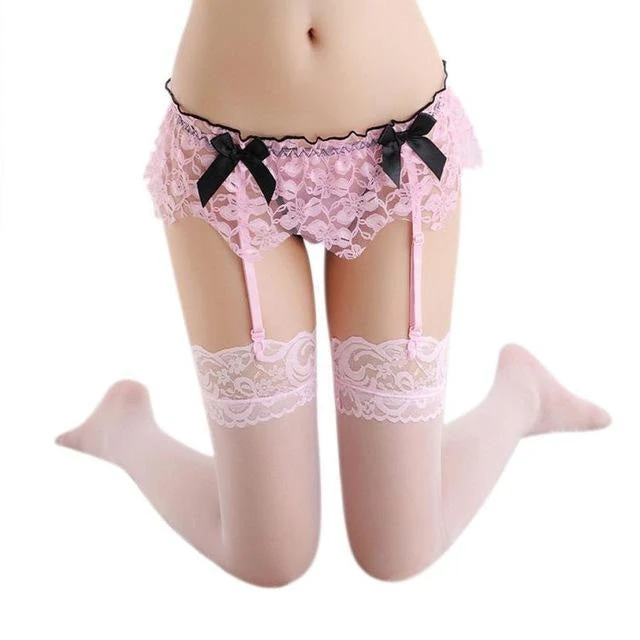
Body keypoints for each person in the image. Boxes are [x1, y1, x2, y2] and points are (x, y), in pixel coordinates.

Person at [55, 0, 611, 587]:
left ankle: (522, 394)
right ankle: (125, 429)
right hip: (225, 164)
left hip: (398, 153)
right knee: (270, 558)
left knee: (398, 551)